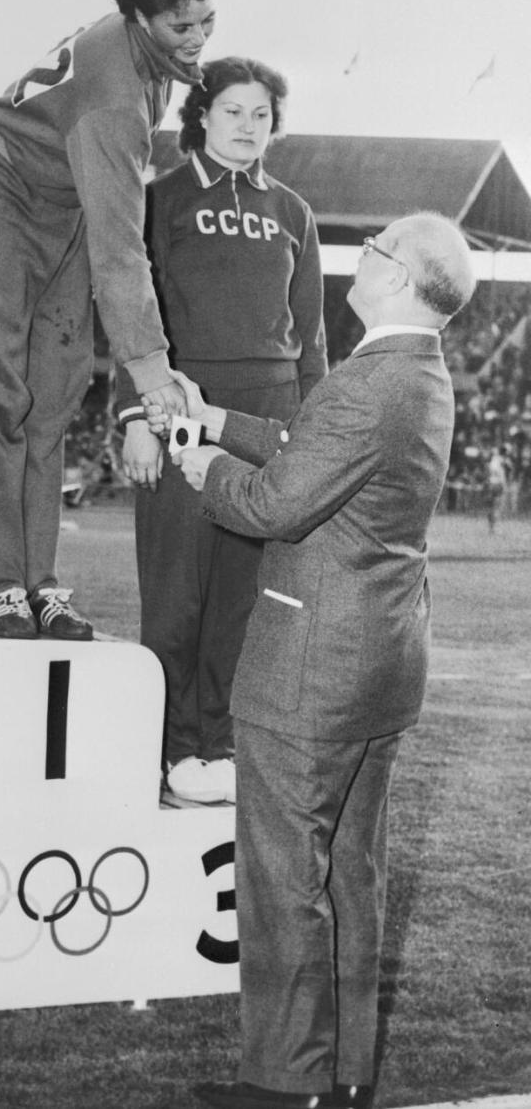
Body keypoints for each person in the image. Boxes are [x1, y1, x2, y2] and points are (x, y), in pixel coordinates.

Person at [145, 211, 475, 1109]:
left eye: (375, 250)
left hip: (311, 668)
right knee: (349, 878)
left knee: (285, 877)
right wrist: (216, 415)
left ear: (399, 278)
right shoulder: (419, 373)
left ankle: (284, 1086)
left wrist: (197, 462)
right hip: (381, 660)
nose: (359, 259)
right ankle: (345, 1076)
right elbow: (309, 448)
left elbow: (270, 506)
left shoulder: (367, 381)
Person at [0, 0, 222, 639]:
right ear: (140, 17)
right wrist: (152, 372)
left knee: (55, 397)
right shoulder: (115, 94)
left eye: (206, 20)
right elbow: (122, 248)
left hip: (55, 205)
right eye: (180, 23)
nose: (197, 37)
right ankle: (6, 585)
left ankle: (43, 583)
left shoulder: (144, 56)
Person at [117, 57, 327, 804]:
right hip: (181, 399)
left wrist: (310, 434)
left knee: (243, 593)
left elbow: (312, 338)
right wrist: (136, 416)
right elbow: (128, 310)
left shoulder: (293, 212)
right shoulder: (160, 201)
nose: (247, 126)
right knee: (178, 589)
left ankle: (218, 743)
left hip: (267, 410)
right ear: (201, 115)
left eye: (261, 114)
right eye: (233, 111)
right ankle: (172, 745)